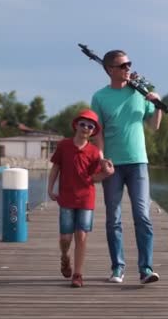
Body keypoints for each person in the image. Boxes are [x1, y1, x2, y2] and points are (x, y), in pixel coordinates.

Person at [90, 49, 163, 284]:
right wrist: (101, 157)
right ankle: (117, 268)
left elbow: (154, 126)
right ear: (110, 69)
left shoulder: (139, 93)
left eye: (129, 64)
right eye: (123, 65)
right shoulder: (99, 97)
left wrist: (157, 104)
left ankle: (146, 269)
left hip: (138, 163)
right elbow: (97, 133)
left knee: (142, 215)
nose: (128, 68)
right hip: (113, 165)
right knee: (113, 218)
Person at [48, 109, 115, 288]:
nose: (86, 128)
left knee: (81, 235)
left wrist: (107, 173)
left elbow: (95, 178)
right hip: (66, 198)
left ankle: (77, 274)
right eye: (83, 124)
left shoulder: (94, 152)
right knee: (65, 239)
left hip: (86, 199)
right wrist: (50, 188)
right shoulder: (64, 145)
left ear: (93, 131)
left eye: (90, 126)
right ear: (76, 125)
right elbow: (55, 168)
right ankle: (64, 257)